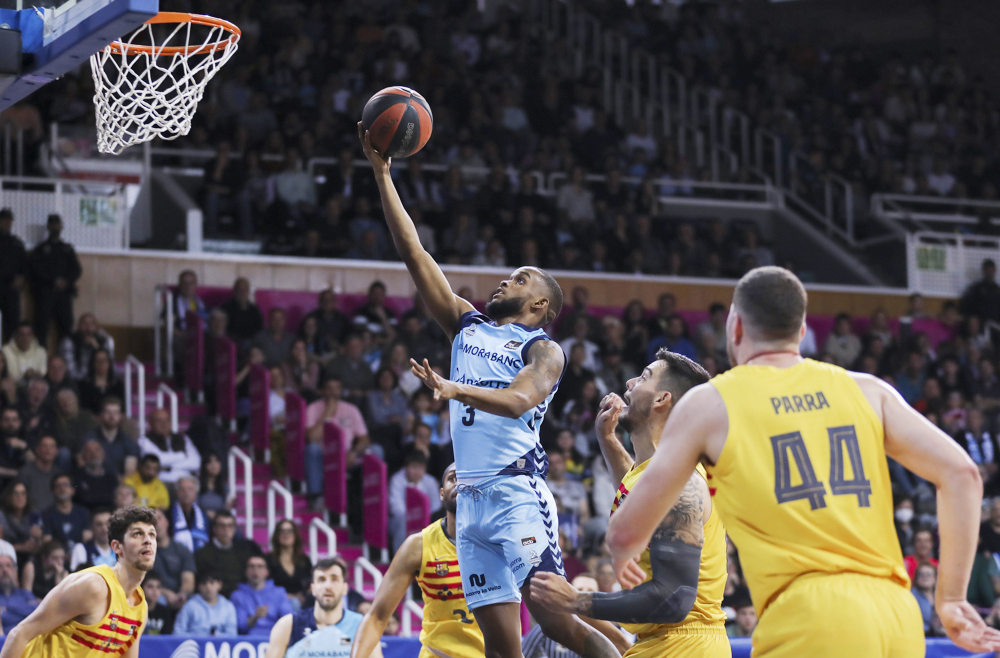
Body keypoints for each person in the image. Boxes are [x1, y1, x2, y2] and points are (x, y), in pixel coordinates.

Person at [605, 266, 1000, 656]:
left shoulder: (711, 403)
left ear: (736, 328)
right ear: (801, 330)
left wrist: (622, 553)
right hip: (897, 615)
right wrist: (950, 599)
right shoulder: (867, 389)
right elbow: (963, 473)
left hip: (810, 618)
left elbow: (626, 533)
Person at [360, 123, 619, 658]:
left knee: (556, 620)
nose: (507, 280)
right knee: (502, 651)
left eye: (521, 279)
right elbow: (414, 254)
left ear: (540, 305)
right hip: (471, 507)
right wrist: (383, 175)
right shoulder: (466, 325)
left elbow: (521, 399)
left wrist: (455, 389)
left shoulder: (544, 349)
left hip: (516, 495)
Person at [531, 350, 729, 657]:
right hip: (661, 644)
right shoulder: (657, 473)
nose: (630, 382)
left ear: (662, 399)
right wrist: (607, 439)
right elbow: (636, 500)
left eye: (645, 376)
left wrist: (576, 601)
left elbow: (674, 598)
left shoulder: (682, 484)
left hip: (684, 645)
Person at [352, 464, 484, 658]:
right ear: (441, 493)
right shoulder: (418, 545)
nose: (460, 484)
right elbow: (377, 616)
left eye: (468, 478)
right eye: (453, 478)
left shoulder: (500, 541)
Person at [0, 505, 156, 657]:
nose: (147, 540)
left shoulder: (140, 609)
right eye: (137, 534)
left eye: (152, 535)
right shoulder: (93, 586)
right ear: (117, 547)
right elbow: (20, 633)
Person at [266, 557, 376, 658]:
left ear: (345, 588)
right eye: (321, 580)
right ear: (312, 589)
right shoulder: (288, 625)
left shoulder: (362, 626)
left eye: (334, 579)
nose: (328, 586)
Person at [29, 214, 82, 343]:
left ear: (61, 226)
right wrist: (53, 280)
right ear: (48, 226)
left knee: (66, 330)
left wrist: (66, 281)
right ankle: (40, 361)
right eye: (52, 224)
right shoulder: (40, 249)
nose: (55, 227)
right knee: (41, 329)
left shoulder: (67, 249)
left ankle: (63, 361)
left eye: (57, 224)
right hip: (45, 294)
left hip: (64, 295)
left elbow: (77, 269)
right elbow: (36, 270)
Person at [195, 510, 262, 596]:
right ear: (214, 529)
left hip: (245, 598)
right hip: (217, 600)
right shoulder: (202, 554)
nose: (226, 530)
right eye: (222, 526)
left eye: (230, 526)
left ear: (234, 529)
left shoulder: (247, 548)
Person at [388, 450, 442, 551]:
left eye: (420, 467)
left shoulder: (431, 482)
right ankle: (400, 557)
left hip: (426, 519)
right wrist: (414, 518)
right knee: (401, 519)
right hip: (402, 520)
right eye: (413, 467)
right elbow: (397, 508)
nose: (417, 471)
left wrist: (424, 518)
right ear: (406, 468)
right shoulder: (396, 480)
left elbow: (436, 506)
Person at [231, 555, 293, 636]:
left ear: (267, 572)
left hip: (277, 637)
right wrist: (255, 617)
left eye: (260, 566)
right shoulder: (237, 596)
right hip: (250, 639)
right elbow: (241, 627)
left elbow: (289, 619)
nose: (256, 570)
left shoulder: (279, 592)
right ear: (246, 571)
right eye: (251, 567)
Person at [138, 409, 201, 484]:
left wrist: (168, 467)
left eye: (167, 420)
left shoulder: (183, 439)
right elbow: (157, 461)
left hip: (185, 482)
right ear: (151, 423)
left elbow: (196, 463)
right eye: (159, 421)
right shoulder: (144, 440)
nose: (164, 424)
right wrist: (182, 456)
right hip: (162, 482)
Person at [84, 397, 138, 478]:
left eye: (116, 413)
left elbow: (129, 473)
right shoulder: (89, 438)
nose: (112, 417)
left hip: (119, 485)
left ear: (121, 416)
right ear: (101, 415)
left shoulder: (128, 441)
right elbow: (82, 467)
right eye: (108, 412)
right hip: (94, 482)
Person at [174, 570, 238, 636]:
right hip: (193, 645)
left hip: (220, 645)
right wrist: (200, 638)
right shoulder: (189, 605)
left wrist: (217, 636)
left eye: (212, 583)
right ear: (198, 586)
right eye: (204, 583)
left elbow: (232, 635)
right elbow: (178, 632)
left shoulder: (228, 606)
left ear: (220, 585)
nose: (208, 587)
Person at [267, 519, 313, 609]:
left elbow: (310, 582)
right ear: (277, 535)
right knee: (294, 603)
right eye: (282, 531)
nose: (286, 534)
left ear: (295, 535)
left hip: (303, 600)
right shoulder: (269, 559)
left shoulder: (304, 560)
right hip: (278, 600)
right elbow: (266, 588)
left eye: (289, 531)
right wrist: (291, 596)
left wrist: (308, 593)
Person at [40, 474, 90, 551]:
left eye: (66, 485)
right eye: (58, 486)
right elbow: (47, 542)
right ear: (53, 491)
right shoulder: (46, 514)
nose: (62, 488)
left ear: (73, 490)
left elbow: (87, 538)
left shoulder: (83, 513)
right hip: (56, 557)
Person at [61, 313, 114, 382]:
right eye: (84, 324)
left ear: (96, 327)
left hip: (98, 382)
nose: (88, 328)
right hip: (76, 382)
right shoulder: (69, 342)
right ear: (79, 326)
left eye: (92, 324)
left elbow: (110, 368)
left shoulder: (103, 341)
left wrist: (97, 349)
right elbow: (70, 373)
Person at [0, 208, 27, 344]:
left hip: (11, 290)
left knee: (12, 327)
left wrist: (21, 278)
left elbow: (25, 266)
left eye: (9, 221)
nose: (7, 223)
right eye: (4, 220)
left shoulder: (17, 243)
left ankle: (9, 361)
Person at [72, 439, 118, 510]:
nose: (94, 454)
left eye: (97, 450)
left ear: (103, 454)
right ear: (83, 456)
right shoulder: (76, 478)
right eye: (89, 451)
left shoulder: (111, 478)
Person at [17, 434, 58, 512]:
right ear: (37, 450)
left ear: (56, 451)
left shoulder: (58, 475)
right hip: (32, 518)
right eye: (45, 446)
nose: (48, 449)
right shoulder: (26, 472)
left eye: (52, 446)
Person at [0, 553, 38, 633]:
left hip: (30, 640)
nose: (5, 570)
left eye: (9, 566)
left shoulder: (24, 593)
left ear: (14, 571)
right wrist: (24, 608)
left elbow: (37, 613)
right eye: (0, 566)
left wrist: (7, 609)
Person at [170, 475, 209, 552]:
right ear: (177, 492)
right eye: (182, 489)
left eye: (190, 489)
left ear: (195, 493)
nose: (186, 492)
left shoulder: (204, 516)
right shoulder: (169, 514)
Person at [221, 277, 264, 346]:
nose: (242, 292)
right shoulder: (225, 308)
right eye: (239, 289)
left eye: (245, 289)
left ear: (248, 291)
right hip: (231, 344)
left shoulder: (255, 310)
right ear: (234, 291)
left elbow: (260, 330)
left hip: (251, 344)